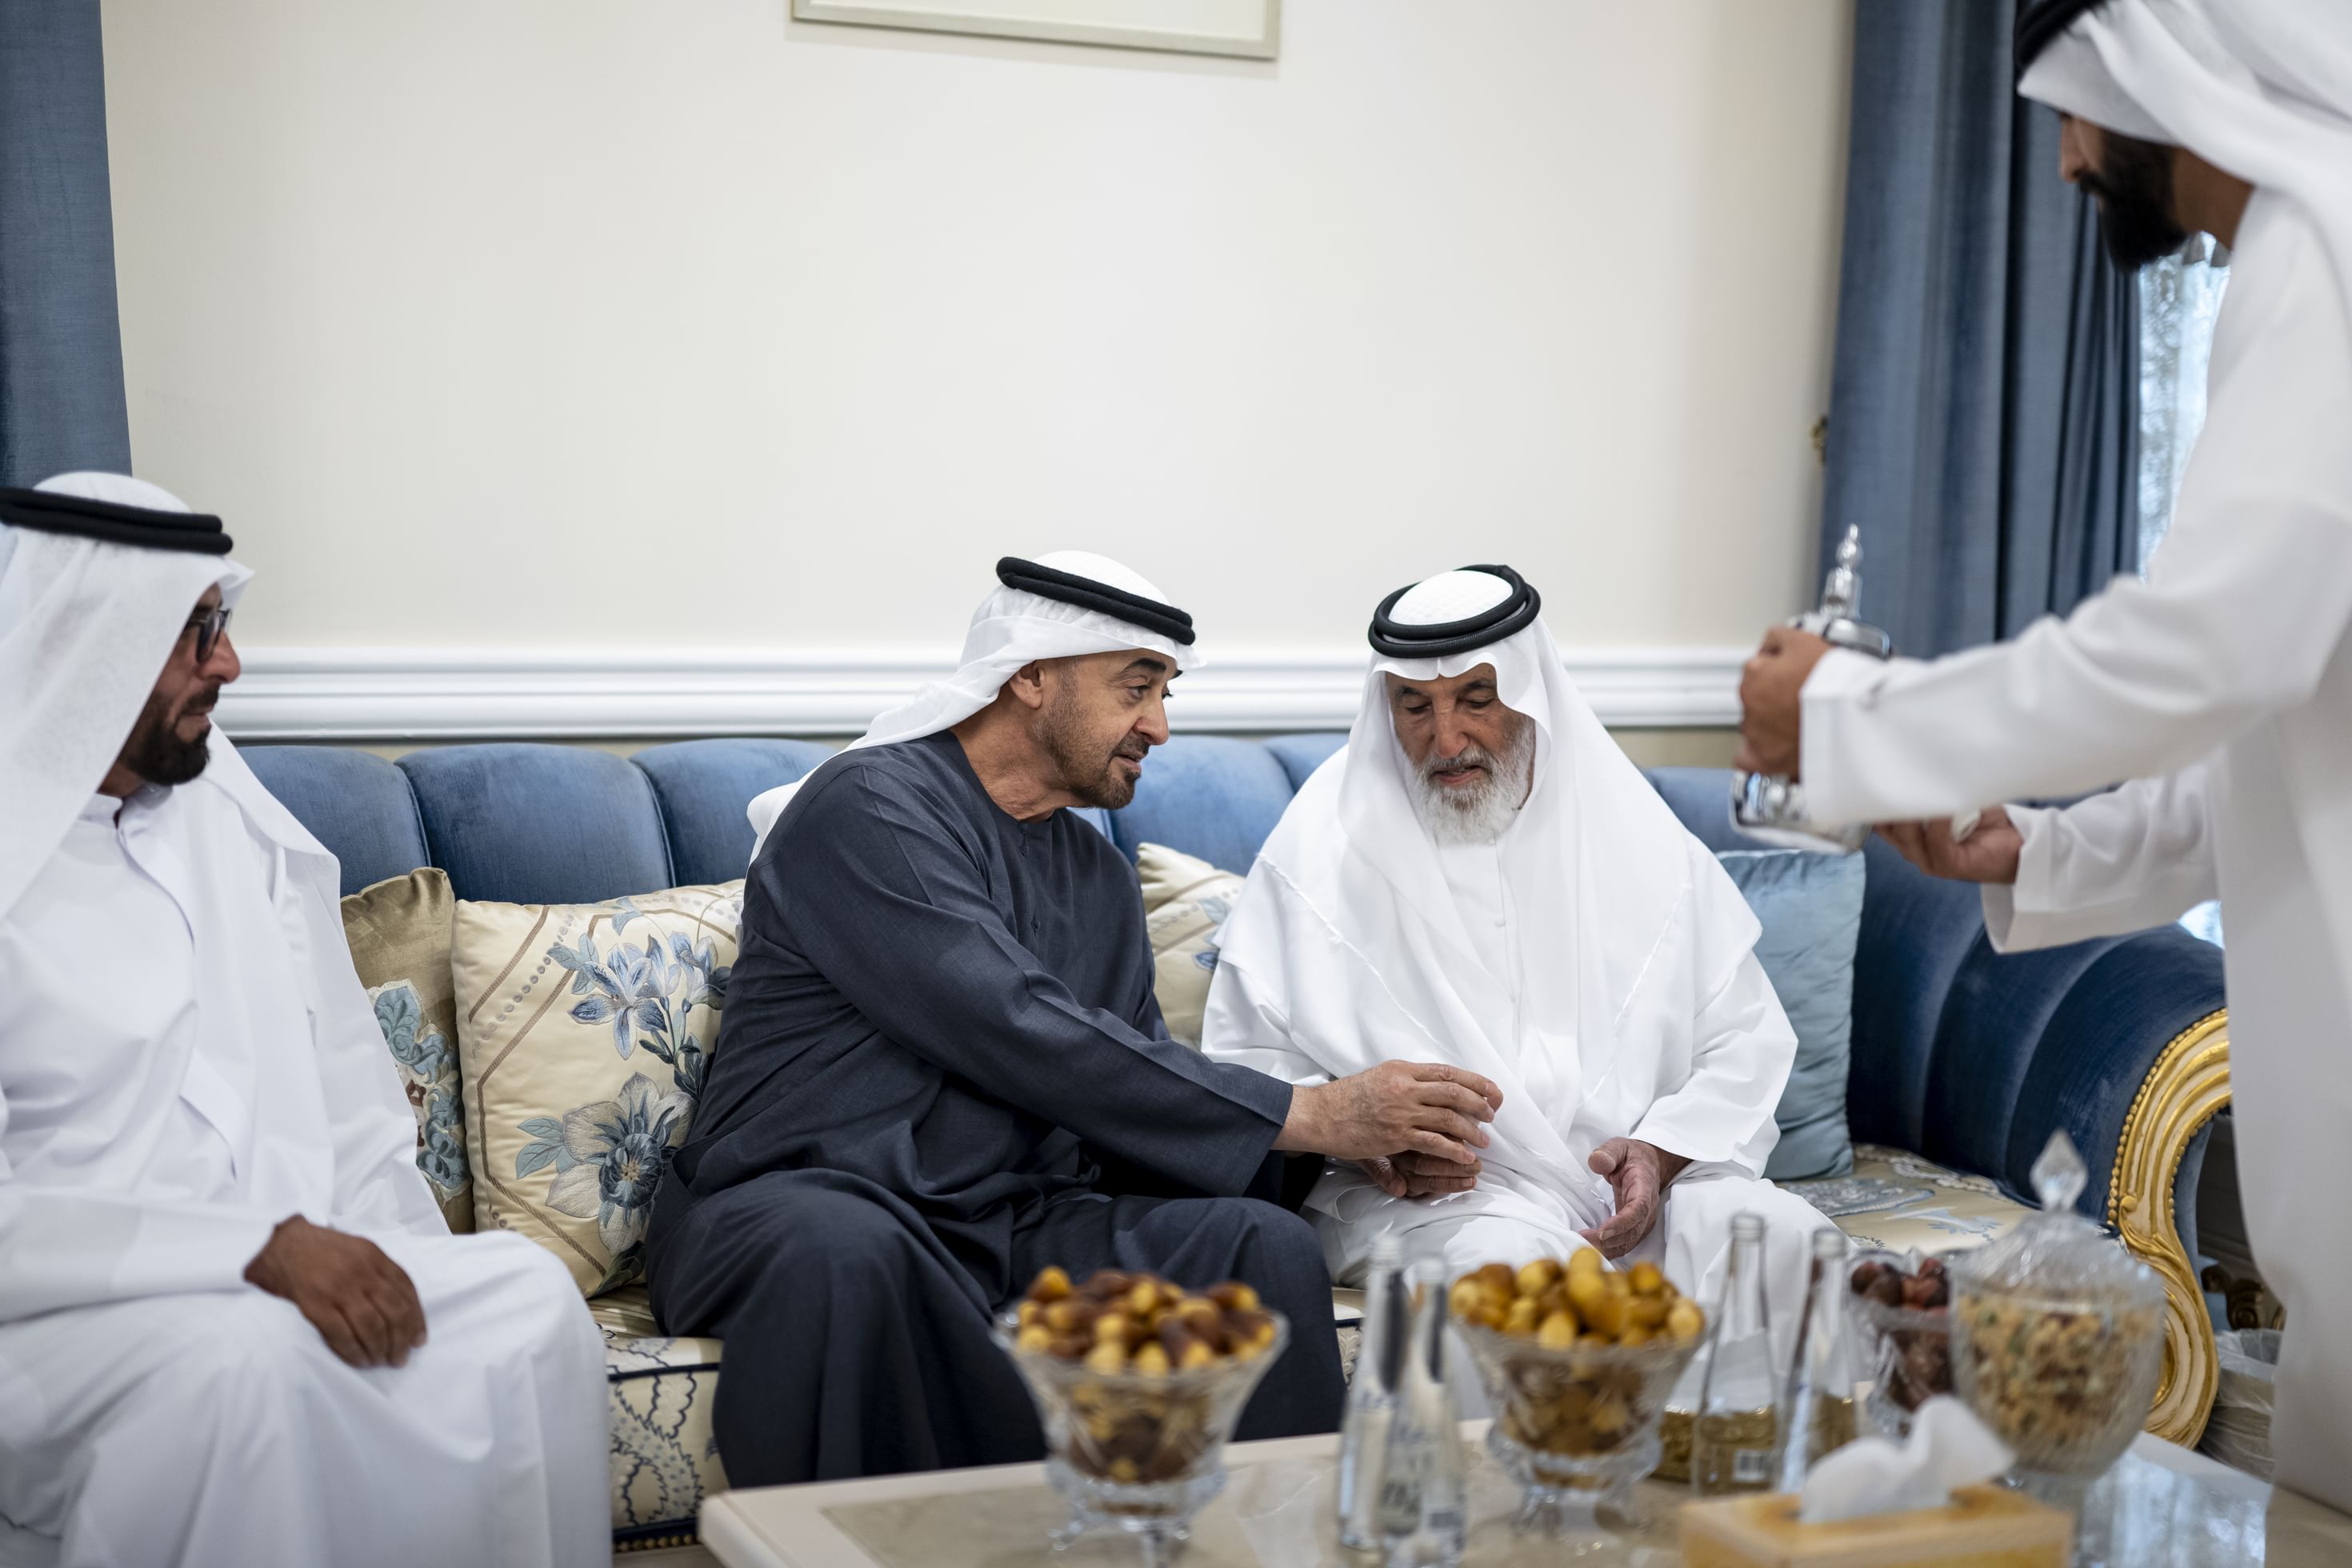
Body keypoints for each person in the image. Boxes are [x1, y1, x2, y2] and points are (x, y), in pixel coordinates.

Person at [1734, 0, 2352, 1509]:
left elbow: (2214, 648)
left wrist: (1855, 718)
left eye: (2072, 102)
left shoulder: (2323, 253)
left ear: (2162, 65)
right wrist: (2045, 845)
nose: (2069, 157)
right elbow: (2276, 738)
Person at [648, 552, 1506, 1486]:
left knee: (1254, 1245)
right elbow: (1009, 1019)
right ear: (1030, 676)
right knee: (848, 1253)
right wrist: (1312, 1111)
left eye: (1166, 692)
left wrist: (1332, 1152)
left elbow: (1122, 1102)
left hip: (1011, 1224)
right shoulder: (869, 806)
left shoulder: (1097, 875)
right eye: (1137, 688)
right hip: (804, 1201)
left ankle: (1268, 1540)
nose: (1160, 725)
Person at [0, 474, 609, 1567]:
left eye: (223, 624)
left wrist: (385, 1263)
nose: (229, 664)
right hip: (57, 1318)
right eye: (195, 633)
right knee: (250, 1368)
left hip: (280, 1269)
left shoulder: (236, 833)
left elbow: (350, 1108)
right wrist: (251, 1248)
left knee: (525, 1304)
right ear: (86, 640)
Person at [1202, 565, 1833, 1353]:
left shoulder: (1630, 823)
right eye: (1415, 706)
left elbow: (1743, 1035)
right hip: (1443, 1203)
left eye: (1477, 699)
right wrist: (1361, 1136)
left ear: (1532, 694)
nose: (1446, 741)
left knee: (1789, 1249)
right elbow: (1244, 1068)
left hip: (1644, 1184)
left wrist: (1663, 1151)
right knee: (1524, 1289)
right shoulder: (1322, 840)